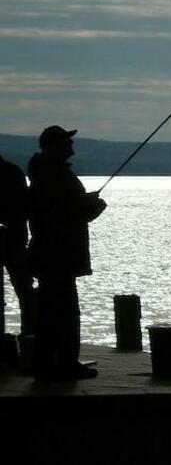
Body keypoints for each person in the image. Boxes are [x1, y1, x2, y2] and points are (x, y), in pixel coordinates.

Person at [27, 126, 106, 380]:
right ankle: (65, 364)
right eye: (67, 143)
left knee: (50, 313)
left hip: (51, 255)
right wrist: (92, 208)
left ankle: (47, 364)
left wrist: (86, 206)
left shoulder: (45, 173)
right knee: (65, 313)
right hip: (58, 256)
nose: (71, 147)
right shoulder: (54, 176)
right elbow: (63, 216)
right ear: (55, 146)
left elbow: (64, 210)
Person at [1, 153, 36, 338]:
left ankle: (30, 333)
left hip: (14, 241)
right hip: (16, 240)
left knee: (24, 290)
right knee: (25, 290)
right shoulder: (14, 171)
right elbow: (25, 207)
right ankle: (30, 334)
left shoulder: (12, 172)